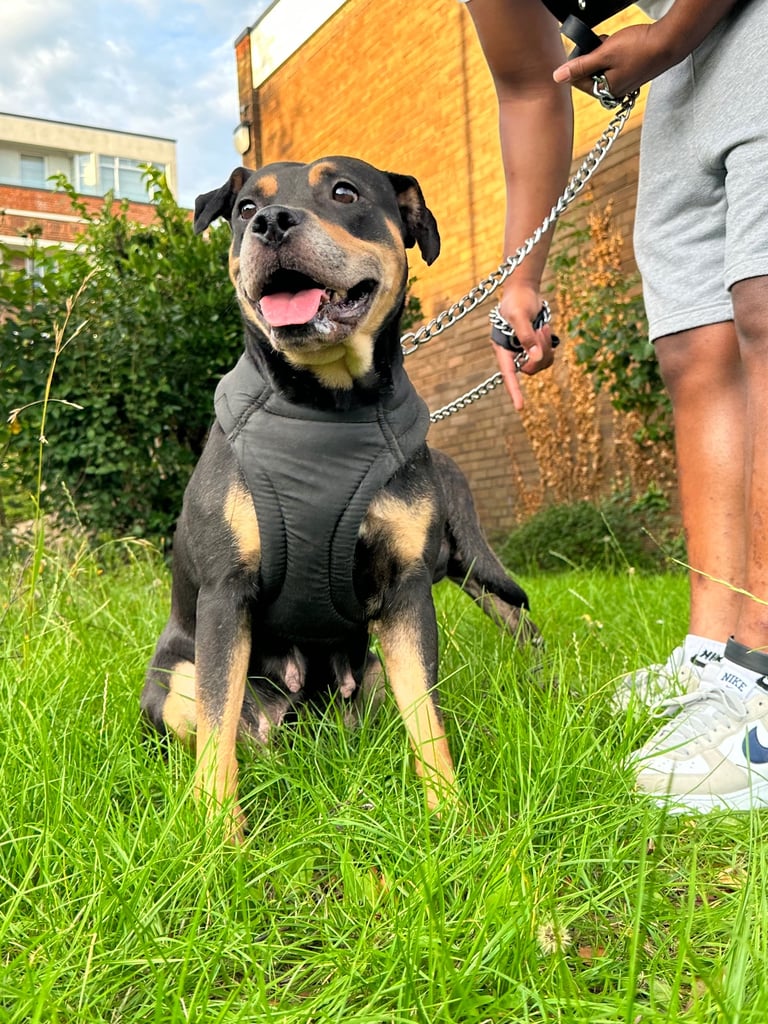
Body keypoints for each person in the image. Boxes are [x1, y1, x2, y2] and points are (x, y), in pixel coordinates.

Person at [459, 0, 768, 812]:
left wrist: (666, 35)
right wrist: (520, 278)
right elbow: (531, 82)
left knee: (764, 305)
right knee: (694, 350)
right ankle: (717, 652)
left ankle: (767, 670)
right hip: (677, 78)